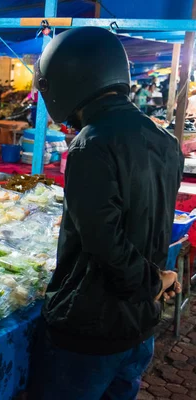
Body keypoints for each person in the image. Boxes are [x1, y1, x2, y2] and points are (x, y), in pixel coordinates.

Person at [30, 27, 183, 400]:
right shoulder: (165, 140)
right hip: (139, 326)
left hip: (90, 331)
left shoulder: (91, 145)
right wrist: (156, 280)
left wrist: (153, 282)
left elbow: (106, 246)